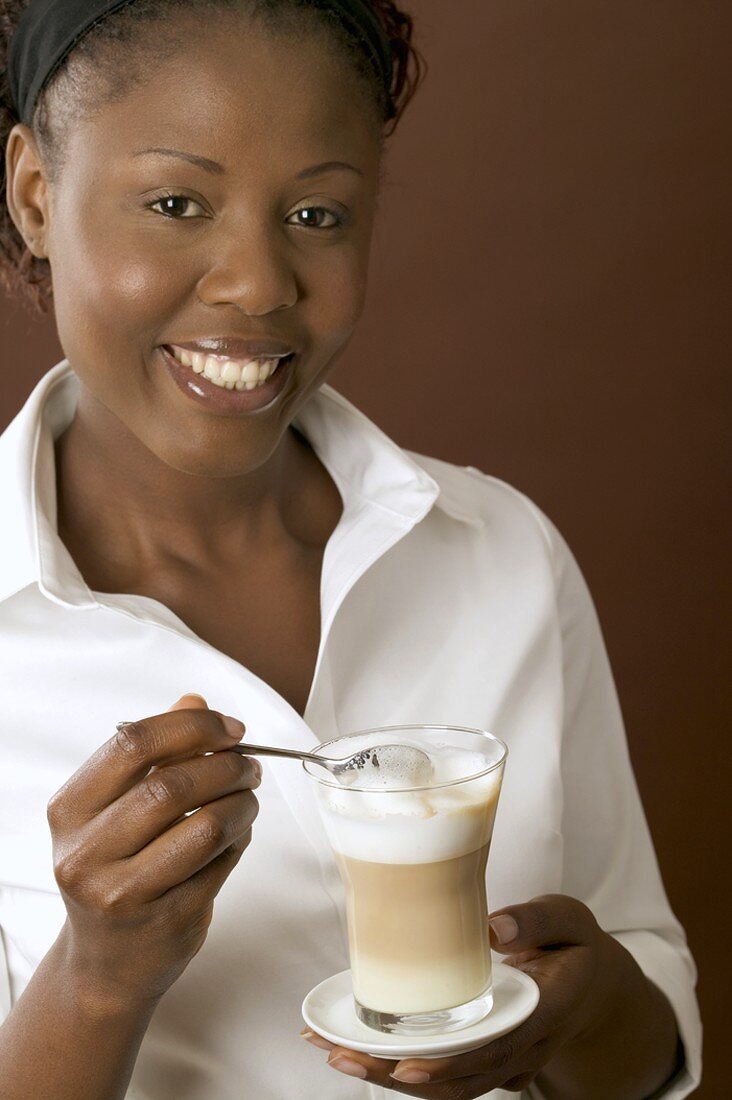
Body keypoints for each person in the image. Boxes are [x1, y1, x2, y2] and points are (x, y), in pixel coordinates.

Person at [0, 1, 702, 1097]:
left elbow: (650, 1052)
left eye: (319, 214)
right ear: (36, 195)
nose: (258, 283)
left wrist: (588, 1006)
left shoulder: (501, 554)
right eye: (177, 201)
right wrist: (98, 977)